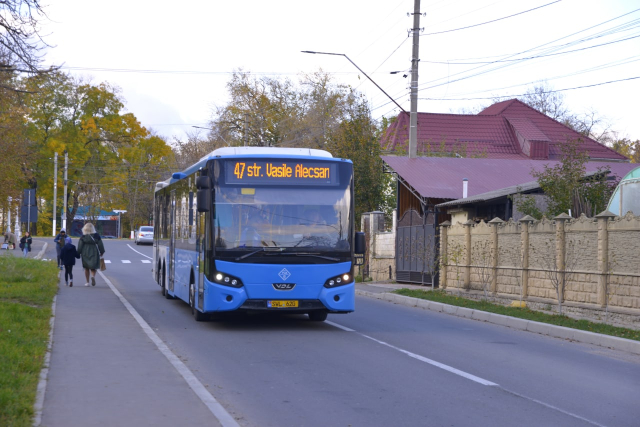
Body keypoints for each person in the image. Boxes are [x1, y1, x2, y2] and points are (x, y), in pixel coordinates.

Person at [77, 223, 105, 287]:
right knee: (93, 266)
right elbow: (100, 244)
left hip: (85, 252)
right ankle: (93, 276)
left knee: (86, 267)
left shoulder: (83, 236)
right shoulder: (96, 235)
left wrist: (78, 253)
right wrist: (102, 251)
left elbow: (80, 246)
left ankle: (87, 282)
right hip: (94, 251)